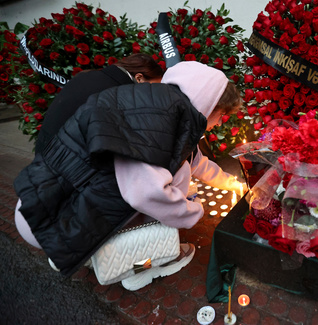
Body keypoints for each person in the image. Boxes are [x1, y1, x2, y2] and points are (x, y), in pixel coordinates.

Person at [14, 61, 245, 291]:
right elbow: (145, 194)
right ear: (209, 105)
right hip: (51, 219)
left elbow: (197, 162)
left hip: (41, 202)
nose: (219, 123)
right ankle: (142, 268)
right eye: (221, 115)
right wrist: (192, 211)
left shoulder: (156, 106)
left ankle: (74, 251)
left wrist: (233, 184)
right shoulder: (161, 122)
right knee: (165, 213)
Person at [35, 53, 164, 153]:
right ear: (139, 78)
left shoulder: (89, 76)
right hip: (65, 161)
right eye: (153, 87)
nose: (151, 93)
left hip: (45, 147)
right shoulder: (116, 94)